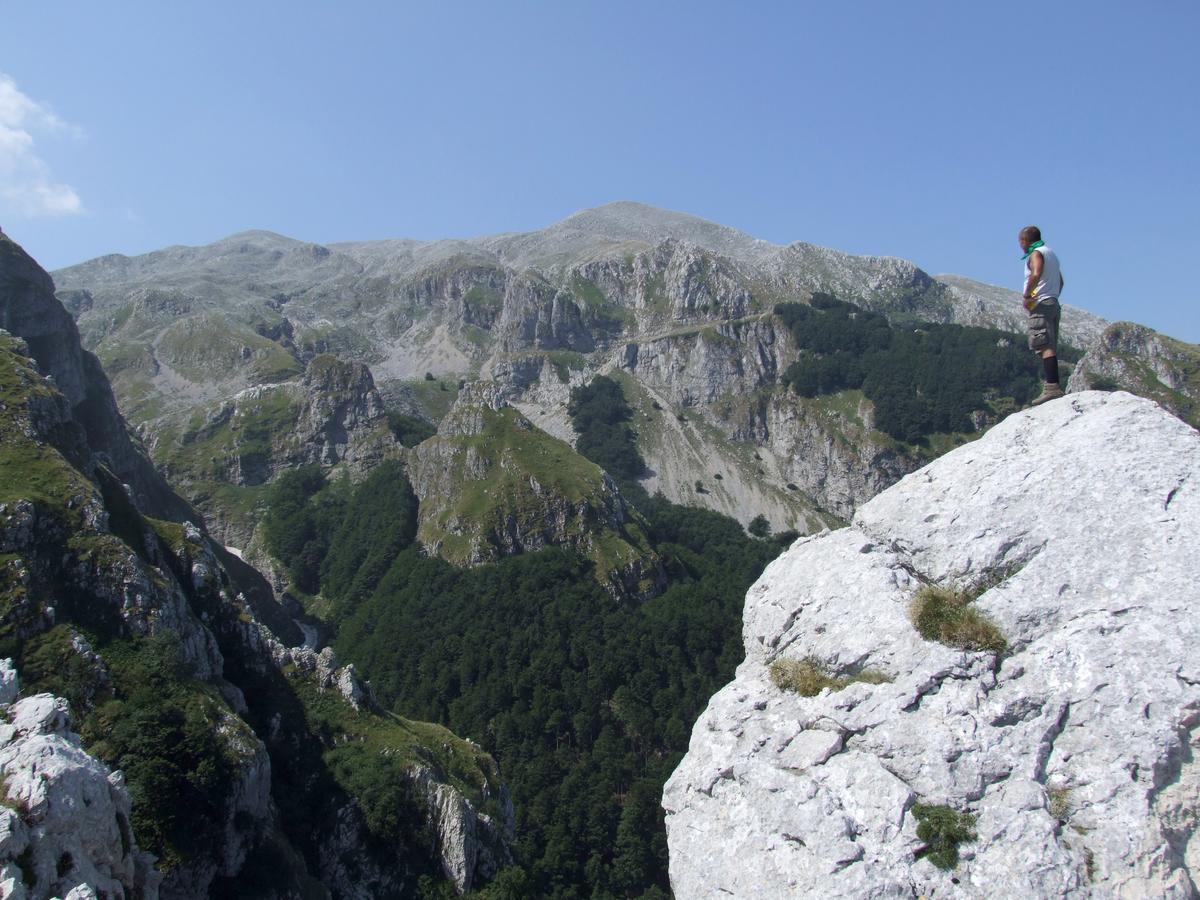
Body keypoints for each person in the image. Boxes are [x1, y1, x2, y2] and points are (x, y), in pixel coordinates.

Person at [1018, 225, 1065, 405]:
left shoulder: (1036, 253)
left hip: (1041, 304)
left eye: (1020, 241)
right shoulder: (1051, 254)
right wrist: (1052, 294)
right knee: (1050, 344)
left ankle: (1052, 387)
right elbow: (1061, 281)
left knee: (1044, 344)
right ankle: (1054, 385)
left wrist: (1028, 295)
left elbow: (1036, 273)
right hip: (1053, 302)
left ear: (1025, 240)